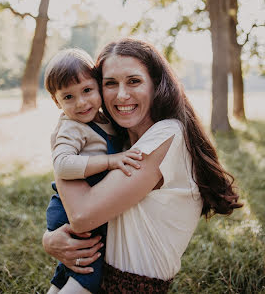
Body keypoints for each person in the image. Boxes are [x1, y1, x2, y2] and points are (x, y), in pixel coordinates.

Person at [43, 38, 242, 293]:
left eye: (134, 81)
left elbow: (81, 216)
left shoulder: (167, 135)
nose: (122, 94)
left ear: (156, 84)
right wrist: (50, 239)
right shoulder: (123, 142)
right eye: (110, 84)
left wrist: (57, 144)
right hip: (98, 276)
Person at [44, 48, 143, 294]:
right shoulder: (71, 127)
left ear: (98, 87)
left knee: (68, 270)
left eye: (87, 90)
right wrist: (110, 162)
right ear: (57, 102)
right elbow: (63, 165)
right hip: (70, 211)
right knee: (88, 274)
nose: (81, 103)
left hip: (86, 204)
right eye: (68, 97)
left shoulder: (103, 120)